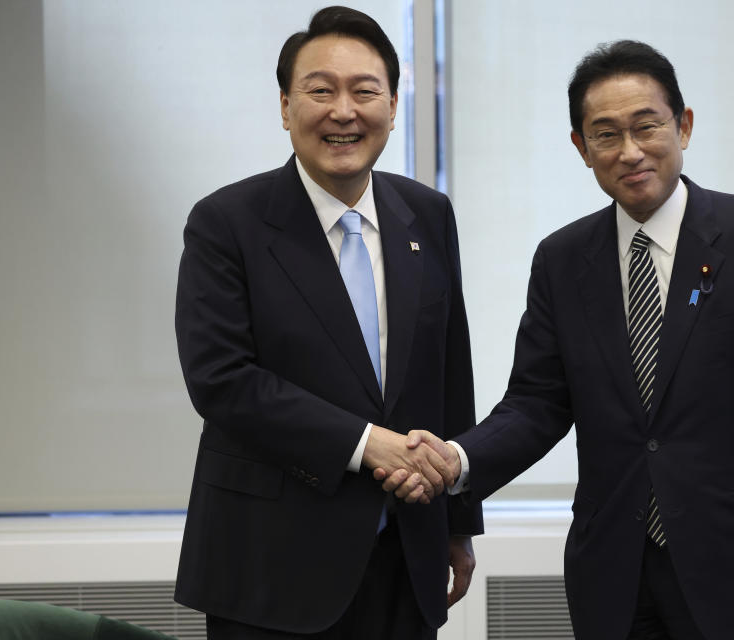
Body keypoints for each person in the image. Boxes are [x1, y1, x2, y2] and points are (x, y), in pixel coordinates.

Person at [383, 40, 734, 640]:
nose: (630, 151)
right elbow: (537, 403)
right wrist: (457, 460)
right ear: (582, 150)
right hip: (614, 566)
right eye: (606, 134)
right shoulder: (562, 260)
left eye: (647, 126)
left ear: (682, 126)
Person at [173, 6, 482, 639]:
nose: (344, 111)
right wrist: (368, 444)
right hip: (270, 566)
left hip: (406, 554)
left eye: (365, 91)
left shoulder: (427, 214)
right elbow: (222, 380)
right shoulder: (227, 222)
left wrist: (457, 524)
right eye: (320, 90)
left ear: (393, 105)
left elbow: (452, 373)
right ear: (285, 106)